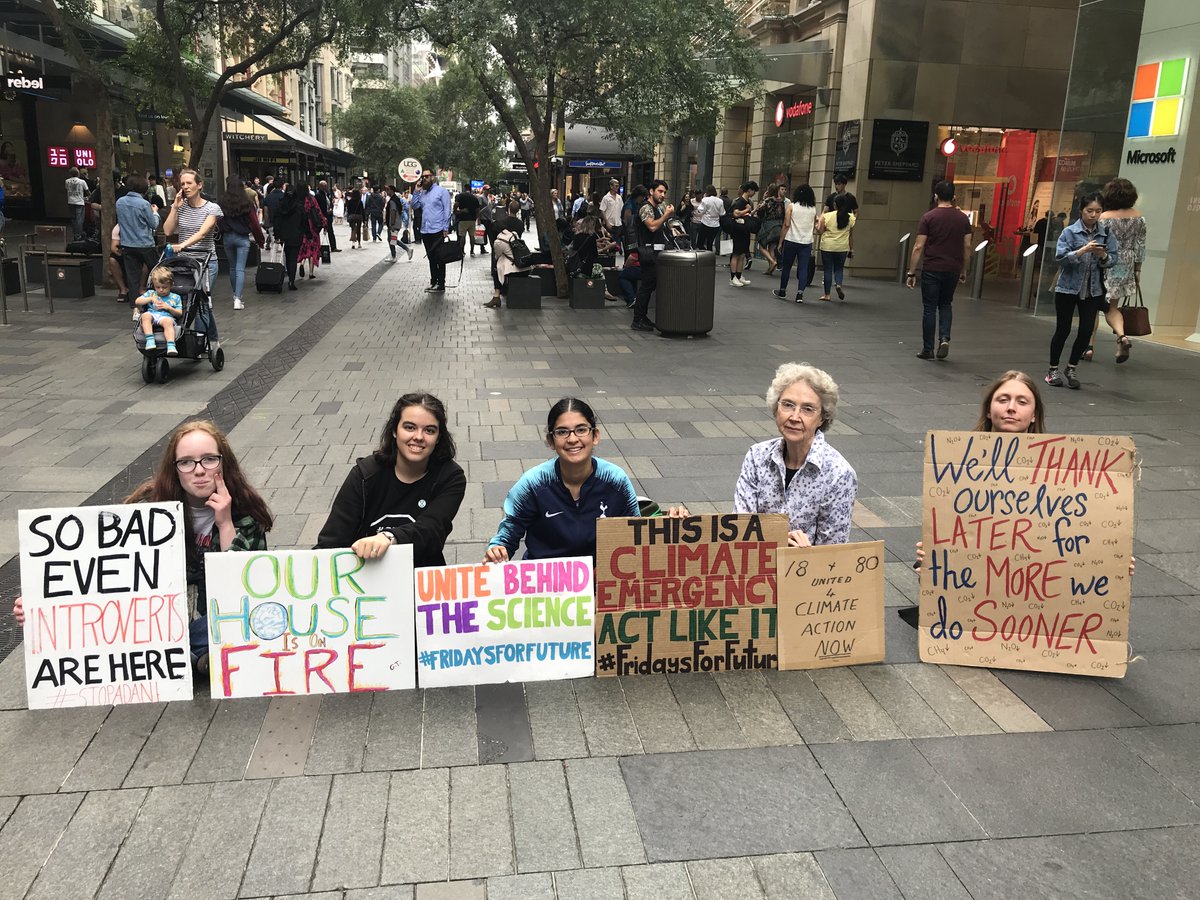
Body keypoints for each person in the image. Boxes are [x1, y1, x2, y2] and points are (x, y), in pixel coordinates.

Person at [11, 421, 273, 673]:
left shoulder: (245, 513)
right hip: (160, 618)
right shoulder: (148, 507)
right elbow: (100, 569)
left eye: (209, 459)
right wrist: (42, 604)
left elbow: (244, 589)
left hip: (214, 614)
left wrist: (225, 524)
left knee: (251, 621)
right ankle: (200, 656)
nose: (199, 470)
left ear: (223, 463)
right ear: (174, 469)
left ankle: (194, 655)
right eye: (186, 462)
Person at [317, 392, 466, 567]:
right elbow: (332, 540)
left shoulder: (450, 477)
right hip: (364, 573)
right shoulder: (365, 475)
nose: (419, 437)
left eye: (429, 430)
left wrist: (389, 537)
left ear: (439, 437)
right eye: (409, 427)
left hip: (420, 574)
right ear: (394, 430)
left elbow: (432, 529)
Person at [484, 398, 641, 562]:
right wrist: (497, 549)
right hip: (545, 574)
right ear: (551, 440)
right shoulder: (534, 483)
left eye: (581, 430)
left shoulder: (616, 480)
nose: (572, 439)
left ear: (595, 435)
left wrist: (665, 530)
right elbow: (508, 533)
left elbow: (638, 535)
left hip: (599, 574)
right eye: (562, 432)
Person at [733, 363, 857, 547]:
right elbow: (740, 529)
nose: (794, 417)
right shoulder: (757, 456)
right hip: (757, 563)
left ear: (822, 418)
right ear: (776, 408)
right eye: (788, 405)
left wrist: (803, 554)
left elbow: (832, 554)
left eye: (808, 409)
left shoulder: (839, 474)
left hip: (804, 565)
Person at [1046, 192, 1115, 390]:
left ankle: (1071, 367)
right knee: (1063, 330)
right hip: (1067, 288)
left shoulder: (1106, 233)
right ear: (1081, 210)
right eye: (1089, 210)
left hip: (1092, 290)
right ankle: (1052, 370)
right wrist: (1082, 250)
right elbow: (1060, 258)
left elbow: (1113, 260)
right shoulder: (1069, 232)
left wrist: (1103, 255)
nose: (1094, 215)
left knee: (1086, 331)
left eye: (1098, 211)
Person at [905, 180, 972, 360]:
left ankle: (928, 349)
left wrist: (911, 272)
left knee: (929, 308)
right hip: (953, 268)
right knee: (946, 304)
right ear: (954, 197)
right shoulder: (963, 219)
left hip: (932, 268)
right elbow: (967, 246)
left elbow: (918, 246)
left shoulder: (928, 217)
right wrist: (964, 269)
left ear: (936, 196)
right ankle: (944, 338)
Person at [1088, 177, 1146, 364]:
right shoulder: (1139, 217)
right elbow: (1140, 246)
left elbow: (1097, 242)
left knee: (1092, 306)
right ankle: (1122, 337)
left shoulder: (1104, 218)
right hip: (1126, 264)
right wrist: (1137, 269)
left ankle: (1088, 346)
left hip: (1105, 261)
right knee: (1112, 307)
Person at [630, 179, 673, 332]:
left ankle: (642, 316)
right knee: (646, 286)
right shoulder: (645, 208)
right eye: (660, 191)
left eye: (664, 192)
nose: (662, 195)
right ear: (651, 191)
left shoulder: (657, 208)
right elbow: (652, 227)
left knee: (649, 286)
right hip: (648, 253)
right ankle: (637, 319)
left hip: (656, 252)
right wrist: (666, 215)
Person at [218, 175, 265, 310]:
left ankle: (235, 294)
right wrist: (260, 240)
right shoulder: (246, 203)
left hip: (227, 237)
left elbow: (218, 220)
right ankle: (238, 298)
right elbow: (255, 223)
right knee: (240, 268)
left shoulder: (222, 202)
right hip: (242, 238)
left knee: (232, 267)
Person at [115, 173, 160, 306]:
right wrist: (155, 212)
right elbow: (154, 224)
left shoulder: (120, 202)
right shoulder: (144, 204)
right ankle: (160, 299)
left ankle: (135, 305)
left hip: (127, 243)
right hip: (145, 243)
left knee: (132, 275)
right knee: (157, 271)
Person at [774, 183, 818, 303]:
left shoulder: (791, 206)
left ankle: (782, 290)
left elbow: (786, 224)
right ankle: (800, 294)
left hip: (791, 240)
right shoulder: (813, 209)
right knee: (803, 268)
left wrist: (780, 242)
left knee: (787, 267)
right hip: (806, 242)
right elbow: (814, 224)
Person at [411, 170, 452, 292]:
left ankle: (441, 283)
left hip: (437, 230)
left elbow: (447, 210)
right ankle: (434, 281)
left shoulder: (441, 191)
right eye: (422, 177)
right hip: (425, 230)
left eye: (427, 176)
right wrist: (416, 191)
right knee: (431, 257)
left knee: (440, 257)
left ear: (432, 177)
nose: (424, 179)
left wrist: (445, 228)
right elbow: (415, 206)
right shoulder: (422, 193)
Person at [135, 265, 183, 355]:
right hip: (152, 314)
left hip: (166, 316)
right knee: (145, 316)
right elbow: (137, 301)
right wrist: (150, 299)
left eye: (164, 287)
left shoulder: (176, 297)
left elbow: (179, 313)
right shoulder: (151, 293)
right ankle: (150, 339)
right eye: (157, 287)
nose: (161, 290)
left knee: (168, 322)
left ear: (171, 285)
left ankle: (171, 344)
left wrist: (168, 308)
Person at [816, 193, 855, 302]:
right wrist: (852, 248)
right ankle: (838, 284)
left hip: (827, 246)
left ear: (835, 205)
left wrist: (817, 225)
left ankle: (827, 295)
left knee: (828, 270)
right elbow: (851, 235)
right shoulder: (851, 217)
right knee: (839, 269)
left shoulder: (827, 216)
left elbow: (820, 231)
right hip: (842, 247)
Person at [485, 223, 533, 309]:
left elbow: (497, 256)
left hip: (515, 271)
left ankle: (496, 296)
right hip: (525, 267)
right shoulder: (514, 234)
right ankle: (498, 296)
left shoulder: (498, 242)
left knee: (497, 269)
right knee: (502, 263)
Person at [271, 183, 304, 290]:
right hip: (296, 234)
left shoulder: (280, 204)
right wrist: (306, 233)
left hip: (284, 234)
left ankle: (289, 275)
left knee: (288, 255)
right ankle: (291, 280)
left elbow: (276, 220)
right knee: (293, 258)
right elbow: (304, 220)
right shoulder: (299, 205)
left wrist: (277, 234)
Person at [727, 181, 758, 287]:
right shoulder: (741, 201)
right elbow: (736, 213)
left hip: (744, 230)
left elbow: (746, 215)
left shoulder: (746, 201)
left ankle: (739, 275)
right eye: (754, 191)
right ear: (749, 190)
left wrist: (753, 210)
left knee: (742, 254)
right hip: (738, 231)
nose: (754, 193)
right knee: (736, 253)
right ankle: (733, 277)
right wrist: (747, 209)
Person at [755, 183, 786, 276]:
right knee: (772, 247)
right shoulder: (781, 201)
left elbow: (760, 212)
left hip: (769, 226)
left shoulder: (768, 200)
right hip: (779, 226)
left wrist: (764, 199)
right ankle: (770, 268)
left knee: (761, 246)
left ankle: (772, 262)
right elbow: (783, 214)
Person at [297, 186, 325, 279]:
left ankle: (302, 264)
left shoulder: (297, 200)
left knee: (304, 247)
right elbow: (318, 211)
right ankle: (311, 273)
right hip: (312, 227)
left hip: (301, 227)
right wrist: (324, 223)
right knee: (313, 249)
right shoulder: (311, 199)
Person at [385, 185, 414, 262]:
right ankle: (399, 253)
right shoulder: (396, 199)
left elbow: (393, 212)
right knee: (392, 239)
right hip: (396, 223)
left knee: (391, 239)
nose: (387, 191)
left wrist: (392, 224)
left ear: (392, 190)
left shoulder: (393, 201)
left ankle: (397, 255)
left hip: (393, 224)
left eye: (388, 190)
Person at [454, 188, 482, 256]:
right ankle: (472, 251)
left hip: (462, 219)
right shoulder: (474, 197)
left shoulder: (461, 196)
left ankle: (462, 251)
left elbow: (456, 204)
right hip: (472, 220)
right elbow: (478, 209)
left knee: (462, 236)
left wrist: (456, 211)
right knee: (472, 236)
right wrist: (476, 218)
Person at [696, 185, 724, 252]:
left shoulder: (705, 200)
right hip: (715, 224)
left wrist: (704, 198)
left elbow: (700, 210)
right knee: (710, 243)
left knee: (700, 242)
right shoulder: (720, 201)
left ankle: (704, 254)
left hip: (706, 223)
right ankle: (709, 254)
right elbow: (722, 213)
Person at [65, 166, 88, 240]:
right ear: (78, 173)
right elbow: (87, 191)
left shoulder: (67, 181)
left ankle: (75, 234)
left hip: (70, 202)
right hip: (79, 202)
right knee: (79, 219)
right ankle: (79, 235)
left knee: (73, 219)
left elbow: (67, 189)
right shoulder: (82, 182)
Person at [316, 180, 338, 253]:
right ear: (319, 186)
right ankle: (317, 249)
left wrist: (331, 208)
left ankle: (333, 247)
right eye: (322, 186)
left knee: (330, 231)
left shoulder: (327, 194)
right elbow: (318, 206)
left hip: (328, 216)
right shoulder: (318, 195)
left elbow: (329, 203)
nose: (324, 187)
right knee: (317, 232)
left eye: (325, 186)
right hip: (321, 216)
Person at [600, 179, 624, 248]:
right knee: (610, 241)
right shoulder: (606, 198)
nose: (617, 188)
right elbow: (602, 211)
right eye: (616, 186)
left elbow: (622, 209)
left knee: (617, 242)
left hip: (618, 223)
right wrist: (607, 222)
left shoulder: (619, 197)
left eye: (618, 186)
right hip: (610, 223)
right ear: (611, 186)